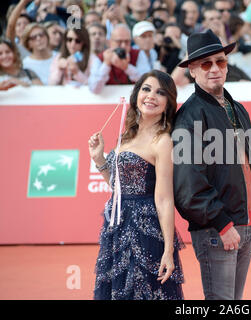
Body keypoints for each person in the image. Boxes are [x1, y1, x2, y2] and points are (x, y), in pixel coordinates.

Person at [172, 29, 251, 300]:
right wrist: (223, 225)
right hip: (218, 231)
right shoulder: (189, 117)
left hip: (246, 226)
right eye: (206, 63)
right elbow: (188, 185)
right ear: (192, 70)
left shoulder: (237, 109)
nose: (215, 69)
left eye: (220, 61)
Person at [88, 70, 184, 300]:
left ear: (168, 103)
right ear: (136, 94)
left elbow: (164, 199)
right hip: (116, 226)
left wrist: (169, 250)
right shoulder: (128, 134)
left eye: (160, 92)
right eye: (146, 89)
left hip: (144, 230)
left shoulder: (162, 141)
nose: (151, 96)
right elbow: (118, 187)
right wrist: (99, 158)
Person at [88, 24, 151, 94]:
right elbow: (94, 89)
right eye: (119, 42)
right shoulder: (101, 58)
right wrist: (106, 64)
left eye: (127, 42)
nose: (123, 45)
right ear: (109, 42)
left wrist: (127, 68)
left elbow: (148, 84)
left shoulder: (138, 54)